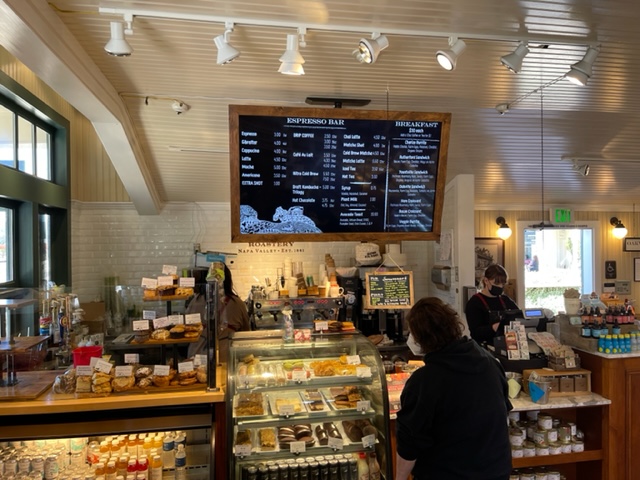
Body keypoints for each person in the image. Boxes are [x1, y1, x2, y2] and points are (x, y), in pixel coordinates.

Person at [395, 297, 512, 480]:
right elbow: (504, 413)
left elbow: (409, 445)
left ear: (421, 338)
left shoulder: (424, 381)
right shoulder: (490, 363)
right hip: (495, 472)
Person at [464, 264, 520, 346]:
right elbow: (475, 333)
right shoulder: (474, 303)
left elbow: (519, 316)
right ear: (486, 281)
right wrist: (496, 327)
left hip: (507, 345)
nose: (500, 286)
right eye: (497, 283)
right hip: (485, 348)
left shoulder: (505, 300)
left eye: (502, 284)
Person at [212, 263, 251, 364]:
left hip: (197, 357)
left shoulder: (196, 300)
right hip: (226, 358)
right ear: (228, 281)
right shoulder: (237, 303)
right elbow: (246, 333)